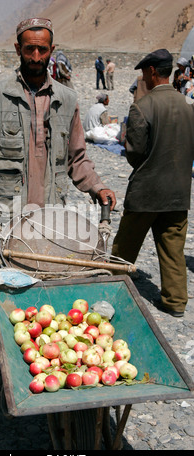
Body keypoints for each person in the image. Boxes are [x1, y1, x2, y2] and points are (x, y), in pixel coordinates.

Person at [0, 16, 116, 377]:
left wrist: (97, 186)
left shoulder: (68, 98)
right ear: (18, 50)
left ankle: (45, 366)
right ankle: (1, 372)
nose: (36, 55)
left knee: (51, 292)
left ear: (51, 51)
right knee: (1, 289)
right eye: (29, 48)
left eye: (43, 48)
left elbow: (77, 159)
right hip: (6, 214)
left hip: (53, 218)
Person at [111, 48, 194, 318]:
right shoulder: (187, 106)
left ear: (152, 72)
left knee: (124, 247)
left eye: (144, 72)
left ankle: (111, 287)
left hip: (146, 193)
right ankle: (176, 302)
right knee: (173, 250)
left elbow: (134, 152)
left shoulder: (142, 107)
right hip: (179, 192)